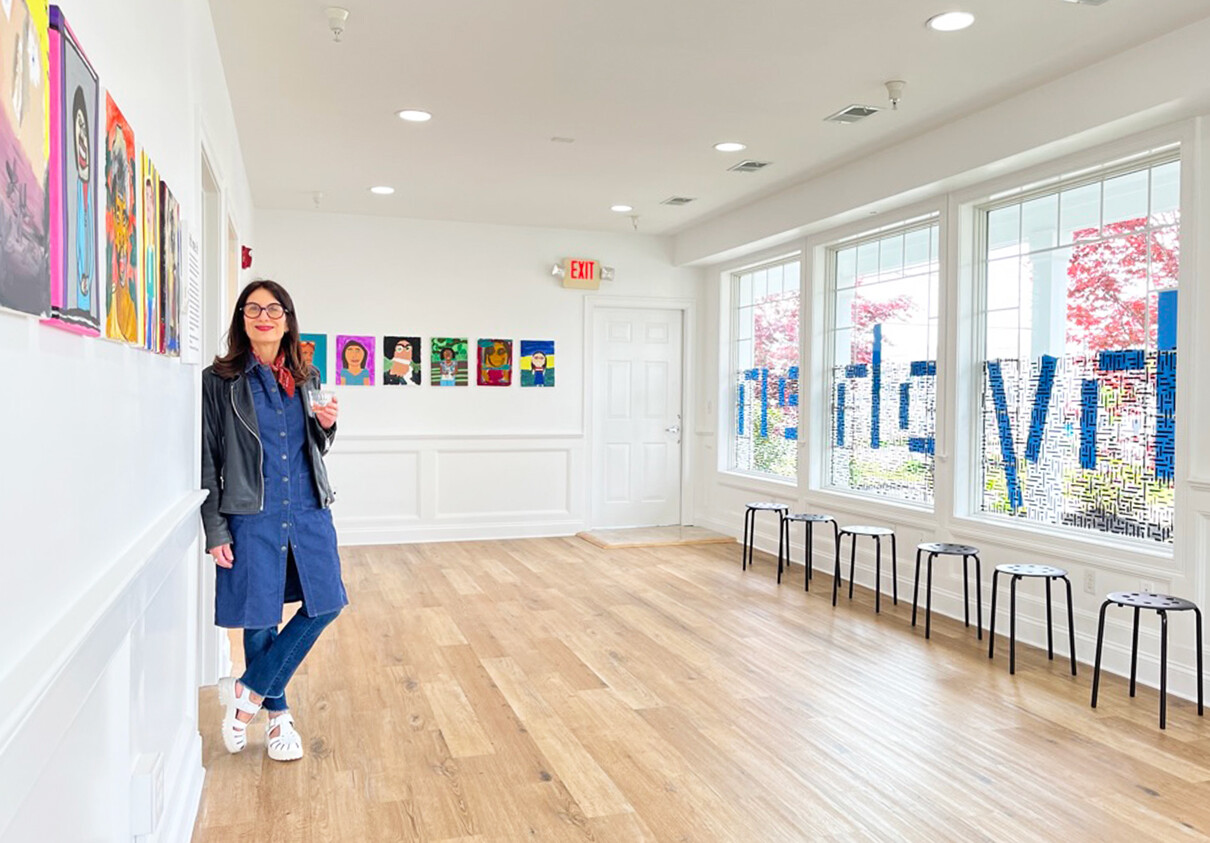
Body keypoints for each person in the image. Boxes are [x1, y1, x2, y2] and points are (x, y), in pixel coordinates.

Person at [200, 280, 346, 762]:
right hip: (252, 514)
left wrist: (327, 426)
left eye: (273, 309)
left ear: (287, 319)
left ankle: (248, 693)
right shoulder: (219, 381)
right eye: (253, 308)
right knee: (260, 616)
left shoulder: (306, 375)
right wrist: (215, 529)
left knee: (326, 603)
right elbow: (207, 458)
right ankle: (279, 718)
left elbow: (314, 446)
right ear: (242, 319)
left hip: (308, 507)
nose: (264, 316)